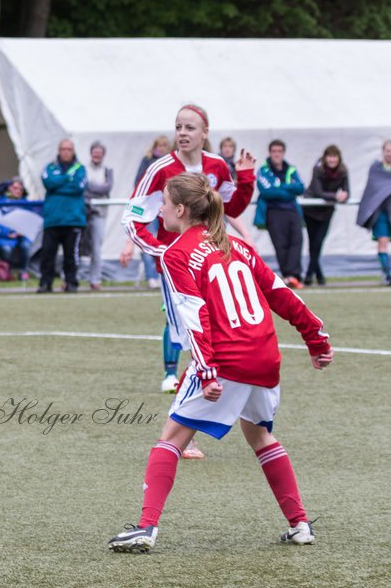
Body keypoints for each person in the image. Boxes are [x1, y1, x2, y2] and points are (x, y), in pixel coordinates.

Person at [107, 173, 332, 554]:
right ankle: (300, 524)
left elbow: (195, 316)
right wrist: (316, 337)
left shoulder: (177, 253)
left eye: (164, 202)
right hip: (264, 358)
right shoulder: (238, 245)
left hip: (226, 361)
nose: (159, 208)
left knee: (171, 438)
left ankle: (145, 528)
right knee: (260, 436)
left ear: (180, 210)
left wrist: (207, 371)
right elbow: (280, 293)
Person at [120, 104, 255, 404]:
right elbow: (132, 218)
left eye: (190, 127)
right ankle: (177, 384)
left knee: (214, 322)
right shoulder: (160, 169)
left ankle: (211, 381)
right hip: (178, 267)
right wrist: (163, 250)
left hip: (211, 260)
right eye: (178, 127)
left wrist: (246, 179)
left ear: (205, 133)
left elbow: (231, 208)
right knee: (183, 326)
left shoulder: (218, 166)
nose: (182, 133)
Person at [38, 139, 87, 293]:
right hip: (52, 219)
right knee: (47, 253)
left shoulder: (80, 168)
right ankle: (45, 283)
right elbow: (48, 183)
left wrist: (58, 185)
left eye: (69, 149)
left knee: (71, 255)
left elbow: (78, 188)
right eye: (63, 149)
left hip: (73, 219)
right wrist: (66, 179)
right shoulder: (50, 167)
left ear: (73, 151)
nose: (66, 152)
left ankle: (71, 282)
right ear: (59, 150)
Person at [255, 140, 305, 288]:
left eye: (279, 151)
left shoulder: (291, 169)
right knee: (280, 244)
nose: (277, 154)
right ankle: (288, 275)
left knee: (297, 241)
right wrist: (288, 190)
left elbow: (301, 188)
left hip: (292, 211)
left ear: (283, 153)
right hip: (274, 212)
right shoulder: (264, 170)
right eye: (274, 151)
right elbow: (267, 191)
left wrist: (281, 187)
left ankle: (294, 275)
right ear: (270, 153)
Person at [302, 145, 349, 286]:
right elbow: (317, 191)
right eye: (329, 156)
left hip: (326, 212)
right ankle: (316, 275)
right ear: (325, 157)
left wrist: (343, 196)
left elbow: (347, 192)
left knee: (318, 243)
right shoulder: (318, 168)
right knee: (313, 244)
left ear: (339, 158)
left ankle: (311, 275)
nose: (332, 159)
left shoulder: (343, 171)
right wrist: (336, 196)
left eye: (335, 156)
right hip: (310, 210)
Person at [134, 135, 173, 289]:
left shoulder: (172, 162)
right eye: (159, 145)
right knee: (148, 240)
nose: (161, 148)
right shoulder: (147, 161)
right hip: (150, 209)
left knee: (167, 241)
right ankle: (151, 275)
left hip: (166, 208)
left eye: (164, 145)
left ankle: (163, 273)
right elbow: (139, 182)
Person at [355, 139, 391, 285]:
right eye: (388, 151)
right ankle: (388, 272)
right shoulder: (376, 168)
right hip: (380, 212)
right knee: (382, 241)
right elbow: (373, 190)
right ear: (383, 152)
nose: (390, 154)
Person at [0, 178, 35, 281]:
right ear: (8, 188)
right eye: (14, 188)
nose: (17, 191)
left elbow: (31, 220)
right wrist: (7, 233)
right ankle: (7, 271)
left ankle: (23, 271)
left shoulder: (26, 203)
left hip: (21, 236)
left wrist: (23, 231)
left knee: (26, 246)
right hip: (2, 236)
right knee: (7, 249)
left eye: (20, 189)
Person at [82, 141, 113, 291]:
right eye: (95, 152)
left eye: (99, 153)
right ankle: (69, 278)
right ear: (90, 153)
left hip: (100, 212)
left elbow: (107, 187)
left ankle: (95, 279)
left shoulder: (107, 170)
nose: (97, 155)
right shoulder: (83, 169)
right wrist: (98, 188)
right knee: (75, 246)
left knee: (96, 247)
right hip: (83, 211)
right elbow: (84, 187)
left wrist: (91, 187)